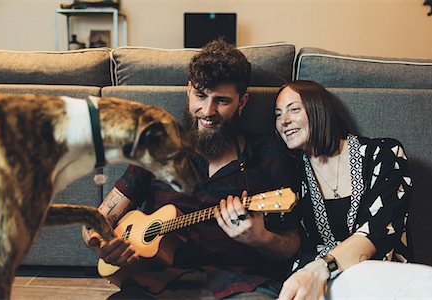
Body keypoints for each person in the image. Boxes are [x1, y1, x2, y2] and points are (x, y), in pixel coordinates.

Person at [83, 38, 301, 299]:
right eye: (200, 96)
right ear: (189, 91)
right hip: (157, 282)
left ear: (242, 103)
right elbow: (99, 217)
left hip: (241, 285)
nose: (207, 111)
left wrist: (261, 238)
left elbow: (293, 244)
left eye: (221, 101)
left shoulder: (268, 154)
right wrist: (100, 242)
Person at [274, 80, 432, 299]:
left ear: (319, 109)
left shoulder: (384, 154)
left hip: (378, 277)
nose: (284, 121)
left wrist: (320, 268)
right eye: (277, 115)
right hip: (316, 287)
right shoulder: (289, 175)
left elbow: (378, 230)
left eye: (294, 109)